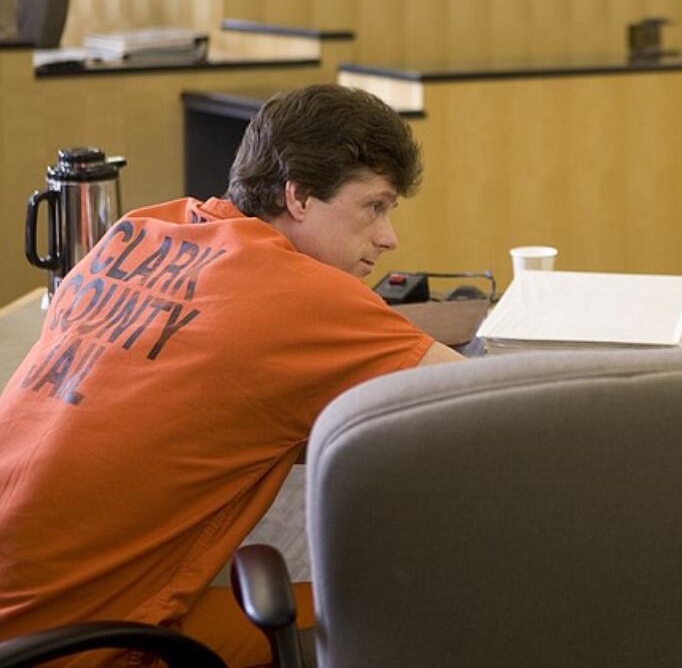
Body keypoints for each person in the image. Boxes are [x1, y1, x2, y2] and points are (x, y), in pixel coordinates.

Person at [0, 84, 463, 666]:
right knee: (414, 605)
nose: (388, 237)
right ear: (298, 196)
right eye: (374, 206)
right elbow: (482, 408)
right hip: (75, 648)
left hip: (22, 611)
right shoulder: (299, 295)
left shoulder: (135, 233)